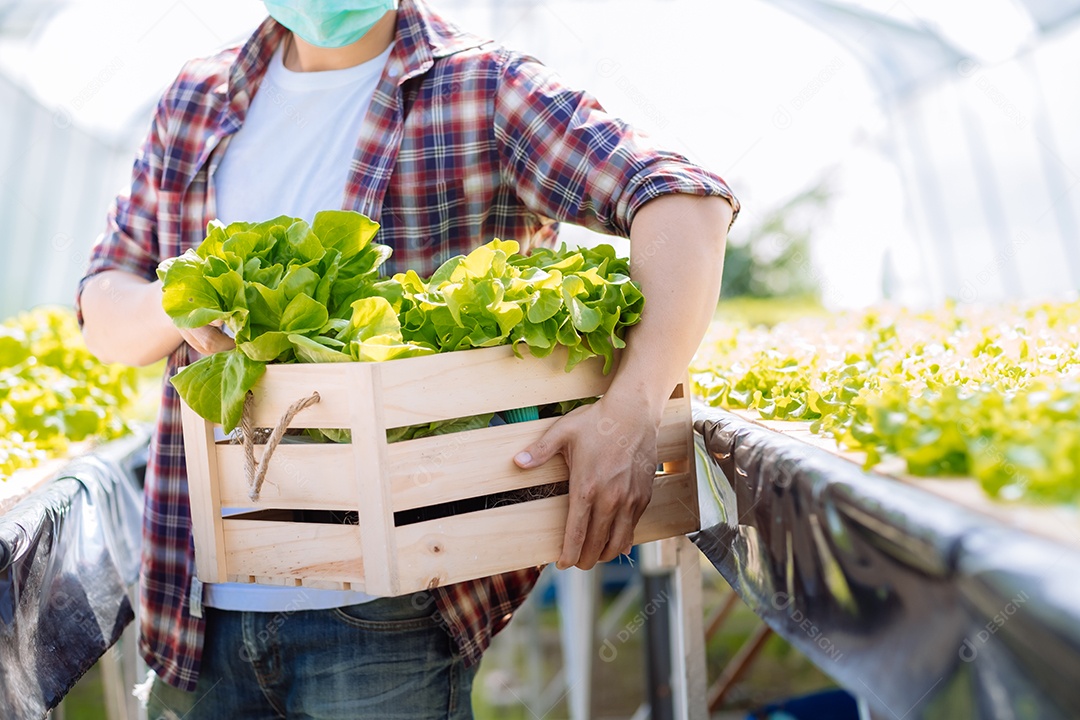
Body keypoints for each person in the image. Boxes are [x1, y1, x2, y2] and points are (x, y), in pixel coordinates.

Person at [77, 0, 738, 717]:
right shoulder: (198, 98)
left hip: (385, 612)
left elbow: (683, 200)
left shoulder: (482, 87)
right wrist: (180, 299)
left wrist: (632, 408)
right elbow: (104, 306)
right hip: (198, 600)